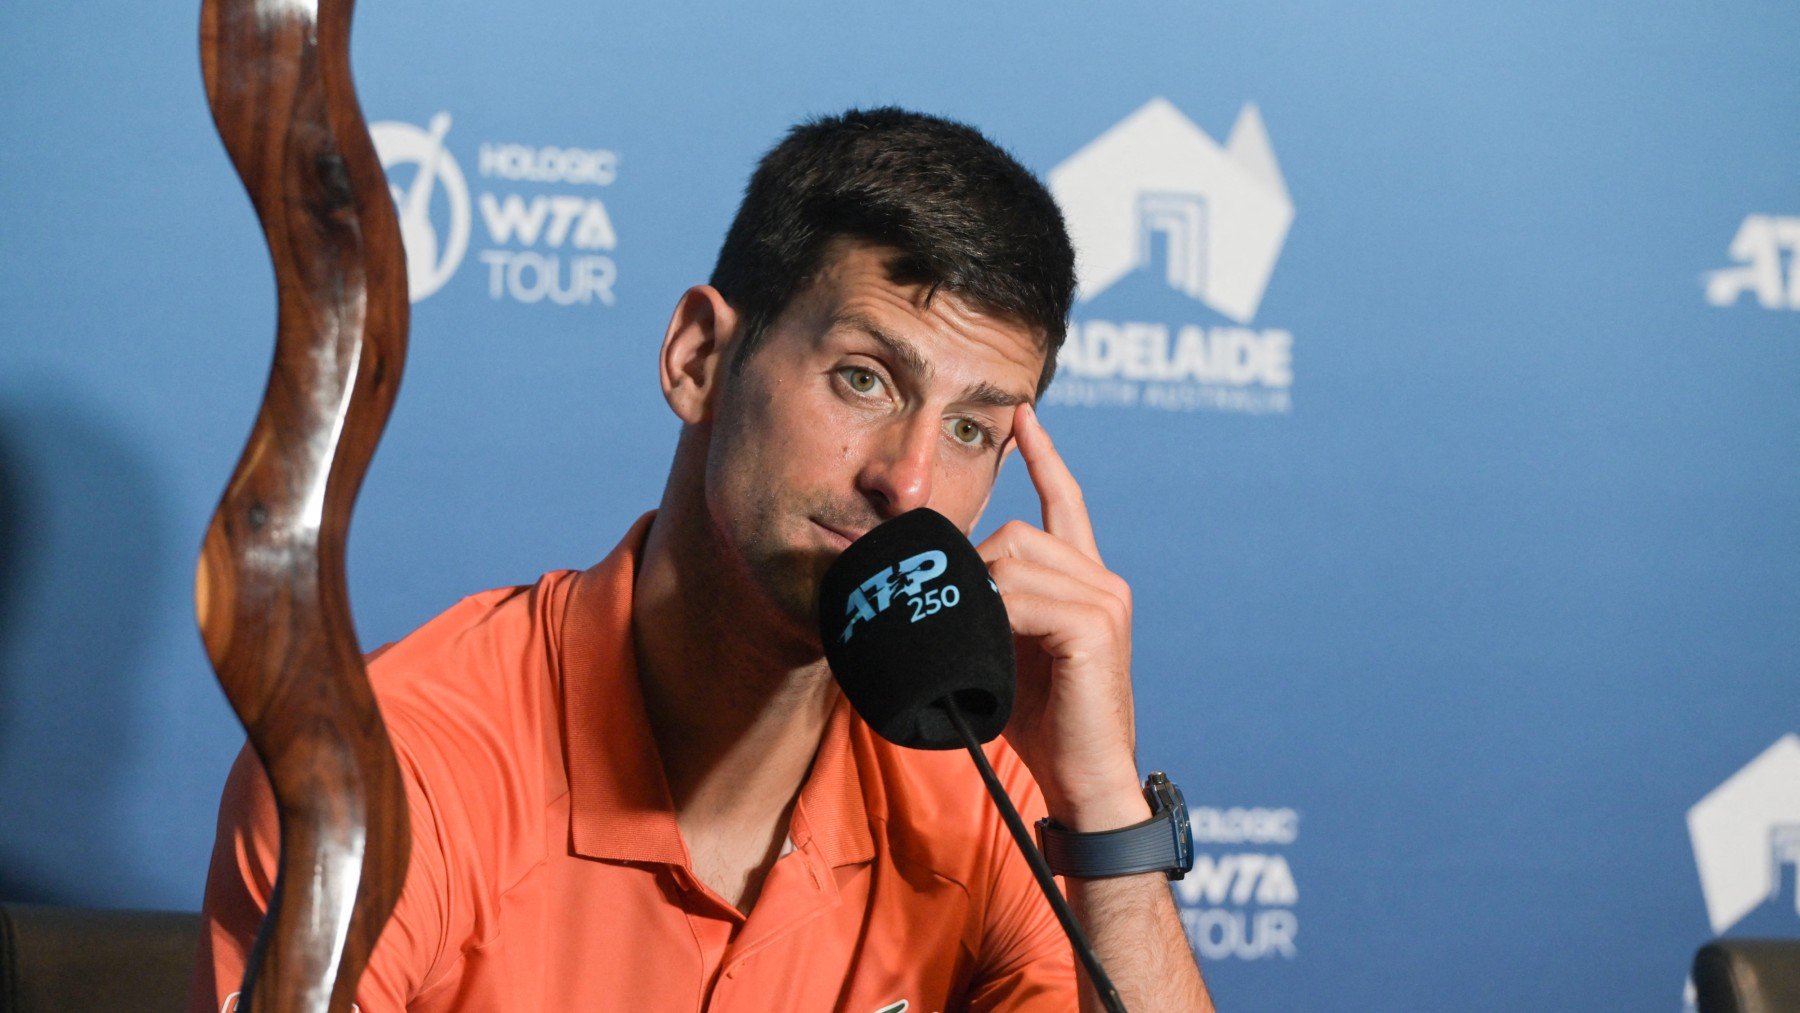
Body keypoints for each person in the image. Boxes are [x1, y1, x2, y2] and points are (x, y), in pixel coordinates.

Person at [192, 107, 1214, 1012]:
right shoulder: (394, 768)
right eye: (863, 378)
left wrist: (1103, 812)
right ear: (698, 360)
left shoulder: (978, 782)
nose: (907, 481)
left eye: (971, 430)